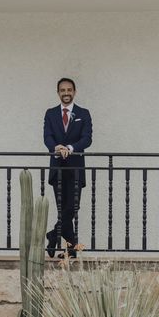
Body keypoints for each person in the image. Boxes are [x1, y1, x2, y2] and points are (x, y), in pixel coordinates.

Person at [43, 77, 93, 258]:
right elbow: (47, 136)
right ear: (58, 93)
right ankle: (71, 251)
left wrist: (70, 149)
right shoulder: (50, 113)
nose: (66, 93)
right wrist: (56, 148)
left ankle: (53, 234)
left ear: (74, 92)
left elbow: (87, 139)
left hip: (76, 169)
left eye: (69, 90)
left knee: (72, 208)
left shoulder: (83, 113)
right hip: (57, 169)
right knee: (63, 209)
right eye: (62, 90)